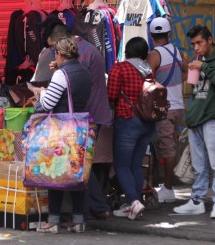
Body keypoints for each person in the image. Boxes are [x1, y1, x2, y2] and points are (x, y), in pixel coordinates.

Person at [38, 20, 113, 220]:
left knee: (77, 165)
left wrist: (56, 78)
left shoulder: (83, 56)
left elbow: (69, 89)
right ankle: (87, 211)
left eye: (54, 48)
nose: (53, 53)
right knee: (80, 164)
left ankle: (97, 207)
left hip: (85, 117)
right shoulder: (84, 52)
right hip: (87, 117)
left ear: (62, 44)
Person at [31, 37, 92, 234]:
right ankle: (79, 220)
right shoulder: (84, 72)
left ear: (58, 54)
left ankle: (53, 221)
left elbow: (47, 105)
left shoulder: (61, 74)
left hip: (61, 129)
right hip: (81, 128)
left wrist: (40, 92)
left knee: (54, 172)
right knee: (77, 174)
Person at [173, 25, 215, 219]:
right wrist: (190, 69)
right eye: (193, 44)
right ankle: (197, 201)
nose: (196, 48)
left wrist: (204, 66)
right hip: (196, 118)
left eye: (199, 43)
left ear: (210, 40)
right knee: (199, 165)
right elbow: (197, 90)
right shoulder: (200, 58)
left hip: (213, 118)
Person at [107, 36, 156, 221]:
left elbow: (111, 95)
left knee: (121, 165)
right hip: (147, 123)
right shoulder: (148, 71)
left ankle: (134, 202)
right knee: (135, 164)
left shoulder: (120, 68)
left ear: (127, 51)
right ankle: (135, 203)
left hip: (127, 121)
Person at [146, 17, 188, 202]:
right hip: (179, 106)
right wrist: (180, 84)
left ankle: (169, 188)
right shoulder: (177, 51)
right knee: (170, 144)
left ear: (151, 34)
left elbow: (146, 78)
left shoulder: (154, 55)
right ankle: (166, 185)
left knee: (167, 148)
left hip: (165, 108)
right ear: (169, 34)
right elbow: (191, 69)